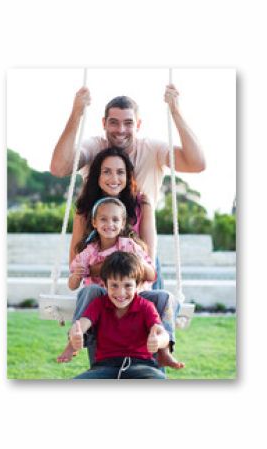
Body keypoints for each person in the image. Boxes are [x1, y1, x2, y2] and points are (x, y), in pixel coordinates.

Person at [57, 197, 184, 371]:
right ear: (94, 222)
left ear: (123, 223)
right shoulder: (90, 252)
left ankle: (165, 347)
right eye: (103, 219)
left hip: (134, 296)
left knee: (165, 297)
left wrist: (133, 261)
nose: (109, 224)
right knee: (91, 290)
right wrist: (77, 275)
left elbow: (151, 274)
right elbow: (72, 285)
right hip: (104, 299)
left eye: (115, 219)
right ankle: (76, 338)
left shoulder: (130, 245)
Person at [50, 83, 206, 208]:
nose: (121, 130)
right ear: (104, 123)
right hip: (95, 244)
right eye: (114, 122)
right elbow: (59, 168)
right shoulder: (94, 147)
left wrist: (175, 111)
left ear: (138, 125)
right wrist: (76, 113)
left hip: (140, 244)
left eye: (128, 123)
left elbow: (197, 164)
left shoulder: (153, 149)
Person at [71, 251, 184, 379]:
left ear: (138, 285)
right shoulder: (99, 304)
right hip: (105, 367)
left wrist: (158, 341)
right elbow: (82, 324)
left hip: (142, 366)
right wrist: (76, 334)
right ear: (105, 284)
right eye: (114, 285)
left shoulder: (146, 306)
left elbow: (162, 333)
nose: (121, 293)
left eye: (128, 285)